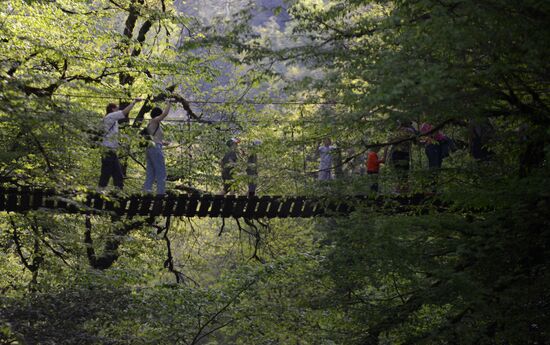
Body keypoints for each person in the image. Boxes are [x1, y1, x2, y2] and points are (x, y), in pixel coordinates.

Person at [98, 98, 143, 190]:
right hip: (108, 151)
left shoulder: (112, 121)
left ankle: (118, 193)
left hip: (112, 151)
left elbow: (111, 136)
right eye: (116, 108)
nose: (118, 109)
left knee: (118, 175)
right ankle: (99, 194)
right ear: (113, 109)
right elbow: (124, 112)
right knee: (105, 174)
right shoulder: (110, 116)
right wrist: (134, 102)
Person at [143, 99, 172, 196]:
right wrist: (169, 103)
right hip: (155, 149)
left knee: (150, 172)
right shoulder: (155, 120)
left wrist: (164, 143)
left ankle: (146, 192)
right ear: (157, 115)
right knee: (161, 171)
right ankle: (161, 193)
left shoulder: (152, 123)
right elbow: (165, 114)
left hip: (151, 148)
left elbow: (155, 138)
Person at [385, 120, 416, 193]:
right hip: (404, 154)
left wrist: (384, 157)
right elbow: (416, 142)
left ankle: (399, 191)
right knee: (405, 175)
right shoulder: (409, 130)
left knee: (399, 174)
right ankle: (404, 191)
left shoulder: (395, 132)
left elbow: (387, 145)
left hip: (395, 154)